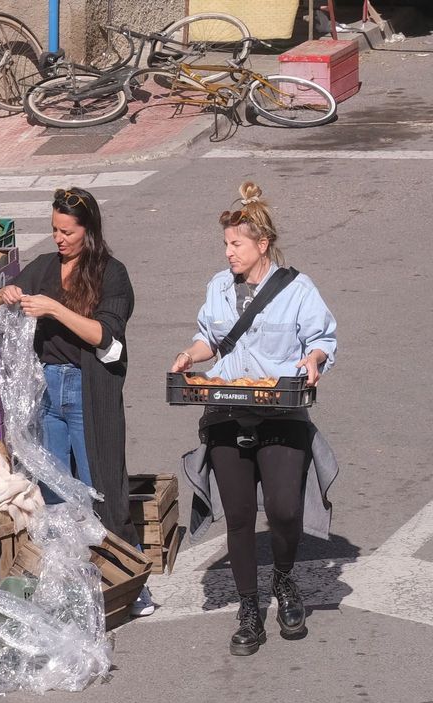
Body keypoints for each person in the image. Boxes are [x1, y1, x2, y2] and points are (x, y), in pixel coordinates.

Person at [172, 181, 338, 657]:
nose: (228, 253)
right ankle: (249, 608)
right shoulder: (218, 288)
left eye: (236, 244)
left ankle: (284, 580)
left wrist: (314, 362)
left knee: (285, 509)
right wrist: (189, 355)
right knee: (240, 516)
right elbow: (210, 339)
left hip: (282, 410)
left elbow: (322, 337)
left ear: (262, 244)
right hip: (226, 408)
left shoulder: (297, 289)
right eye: (226, 244)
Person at [0, 186, 139, 566]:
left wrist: (55, 309)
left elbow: (105, 335)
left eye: (67, 232)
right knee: (54, 484)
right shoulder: (44, 266)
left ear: (88, 231)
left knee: (100, 484)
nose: (58, 239)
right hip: (48, 389)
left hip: (88, 386)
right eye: (54, 230)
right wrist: (2, 294)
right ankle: (69, 570)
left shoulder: (112, 273)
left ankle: (126, 572)